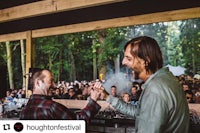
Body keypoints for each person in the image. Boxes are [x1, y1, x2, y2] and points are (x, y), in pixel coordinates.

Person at [94, 36, 189, 132]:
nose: (123, 62)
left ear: (145, 61)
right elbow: (139, 112)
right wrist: (107, 97)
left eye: (129, 58)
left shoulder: (155, 89)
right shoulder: (166, 79)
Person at [20, 69, 101, 124]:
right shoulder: (51, 107)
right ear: (38, 83)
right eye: (50, 81)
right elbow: (79, 123)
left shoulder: (24, 111)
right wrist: (93, 100)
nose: (54, 85)